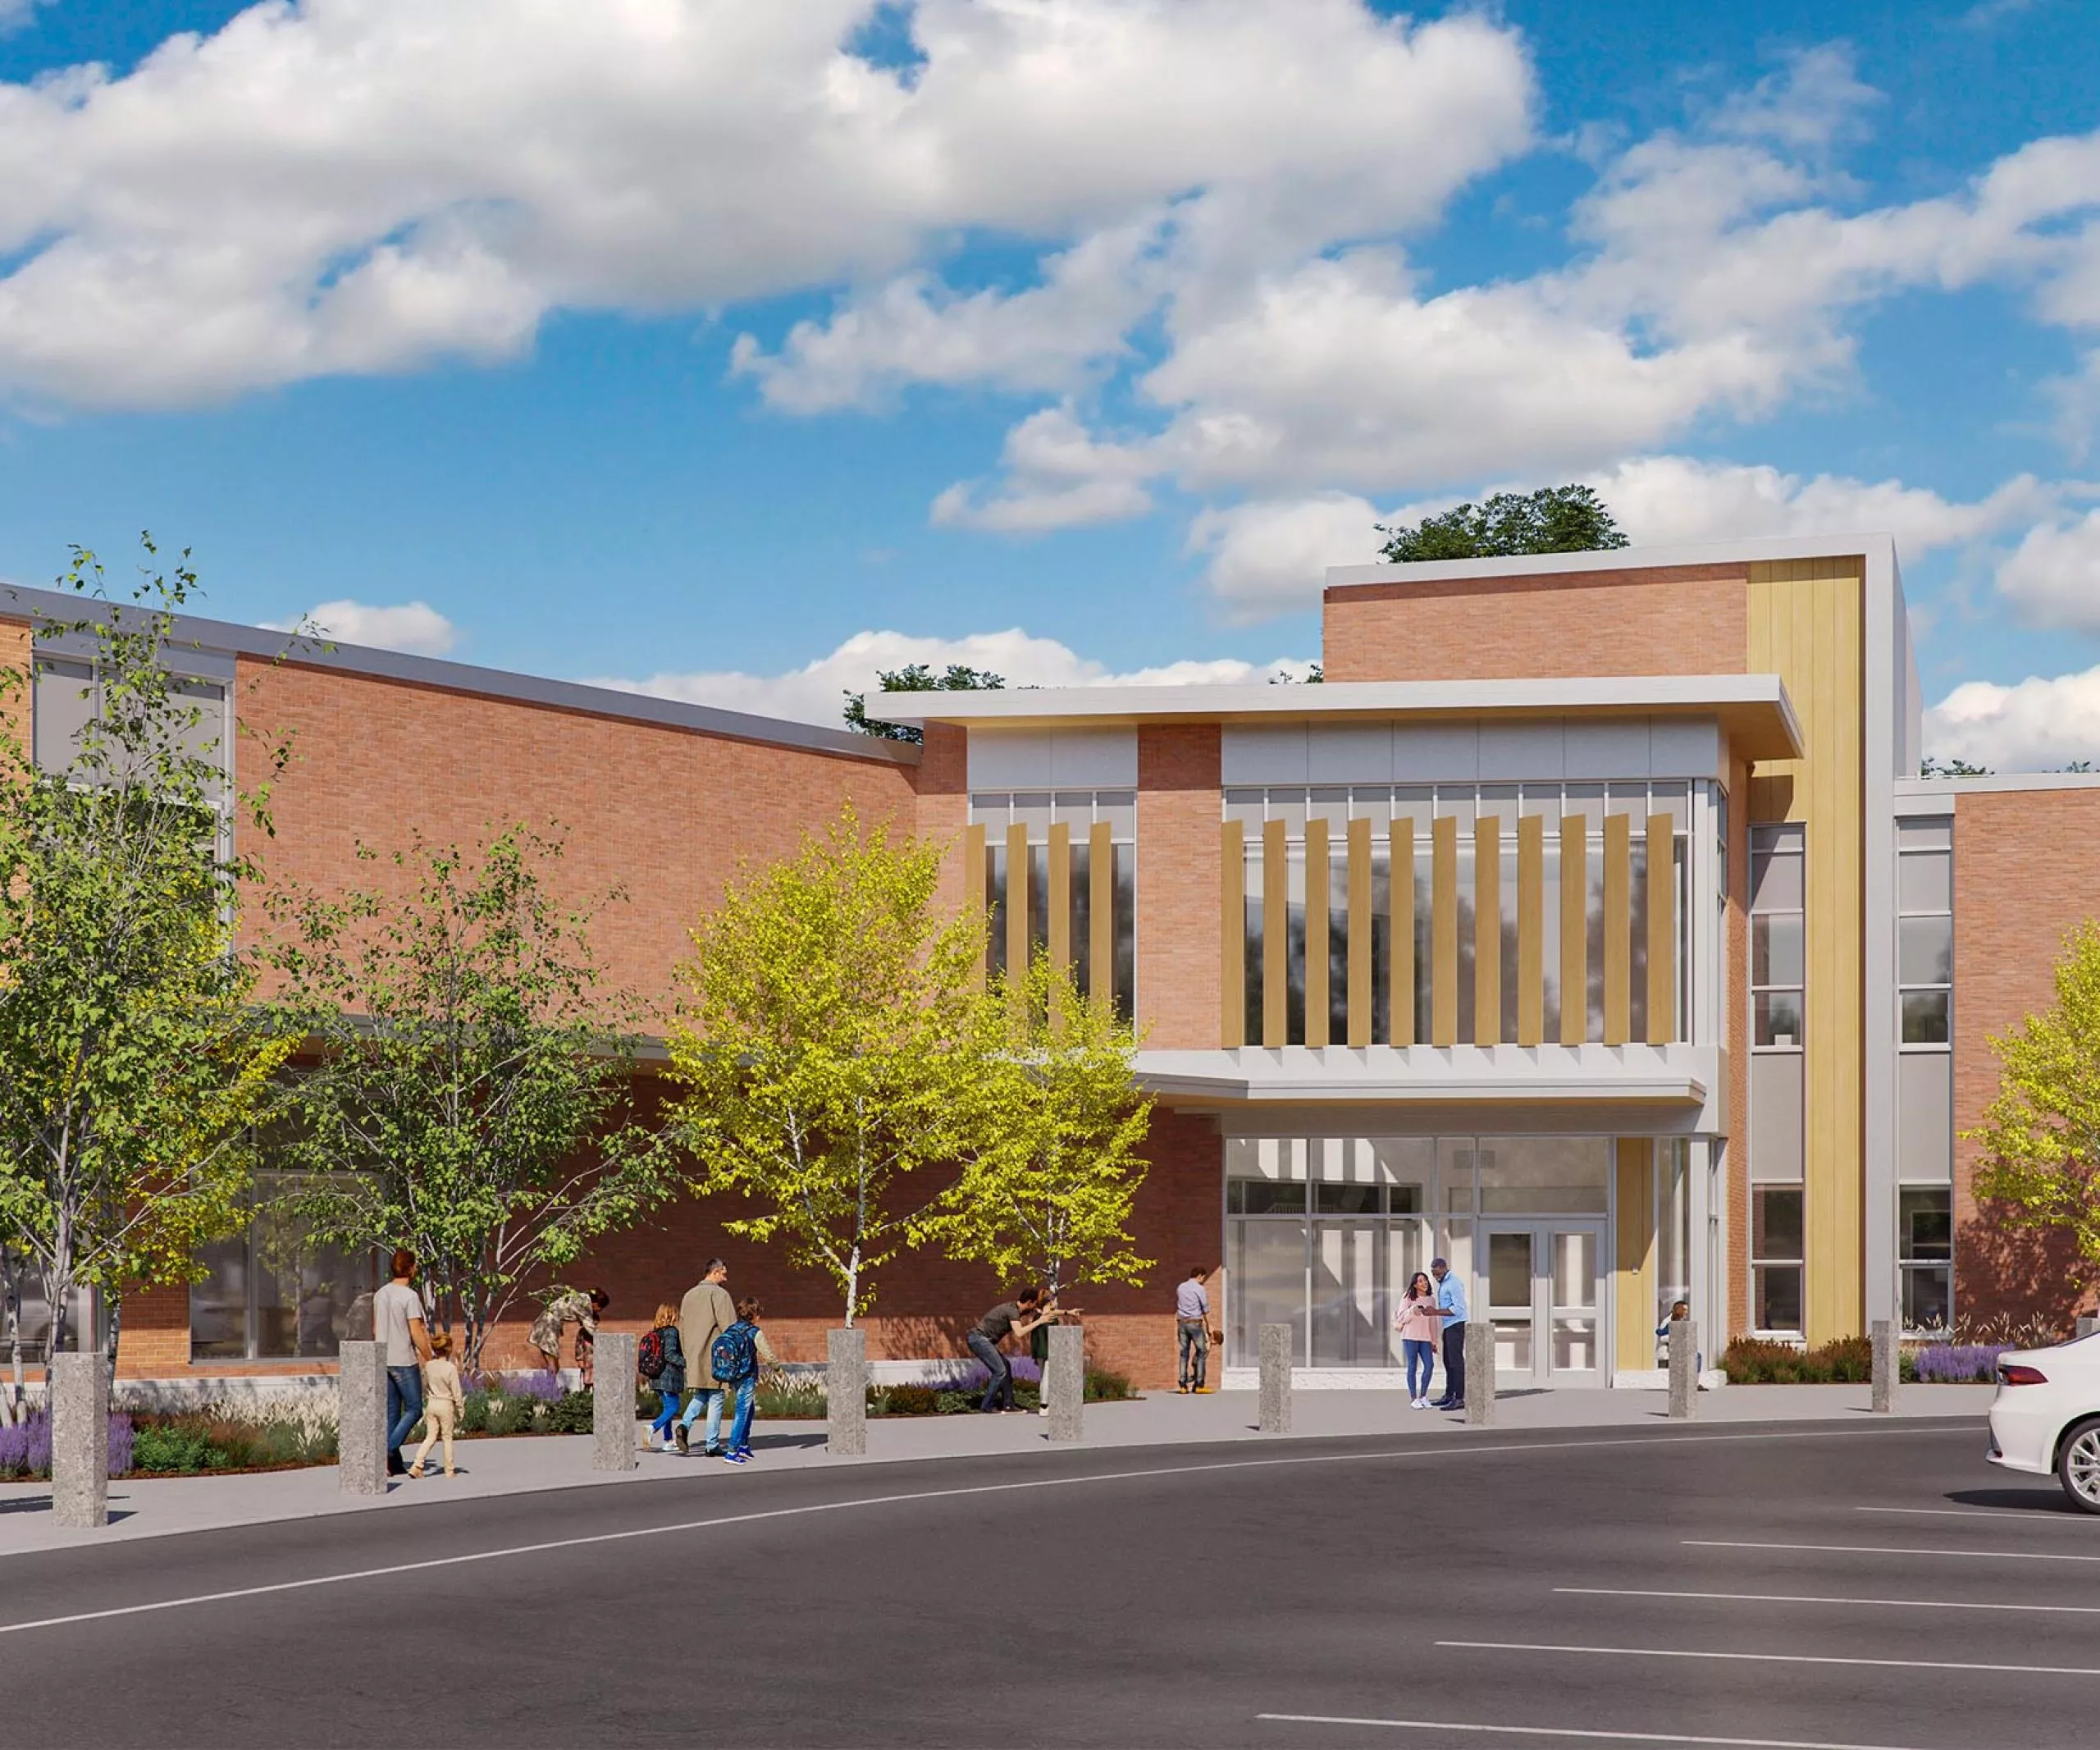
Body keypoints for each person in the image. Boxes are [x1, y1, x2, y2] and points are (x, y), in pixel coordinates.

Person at [372, 1248, 431, 1478]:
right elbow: (415, 1332)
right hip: (403, 1360)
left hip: (382, 1357)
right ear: (410, 1268)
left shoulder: (380, 1294)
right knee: (415, 1409)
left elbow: (376, 1329)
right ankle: (386, 1450)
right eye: (415, 1265)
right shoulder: (409, 1296)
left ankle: (393, 1466)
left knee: (392, 1412)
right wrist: (430, 1357)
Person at [676, 1258, 736, 1456]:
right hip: (716, 1355)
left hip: (694, 1354)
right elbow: (729, 1326)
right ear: (716, 1272)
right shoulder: (719, 1295)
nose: (726, 1279)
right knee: (717, 1396)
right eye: (724, 1274)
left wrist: (687, 1353)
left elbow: (681, 1329)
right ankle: (711, 1444)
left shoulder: (688, 1295)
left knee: (701, 1394)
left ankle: (684, 1425)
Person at [967, 1287, 1055, 1413]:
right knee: (1000, 1371)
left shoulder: (1018, 1308)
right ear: (1029, 1302)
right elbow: (1019, 1333)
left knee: (1005, 1366)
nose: (1035, 1308)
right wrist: (1040, 1321)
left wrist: (1068, 1313)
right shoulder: (1012, 1311)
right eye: (1035, 1304)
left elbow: (1046, 1312)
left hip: (982, 1340)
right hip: (978, 1339)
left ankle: (1008, 1405)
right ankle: (986, 1406)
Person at [718, 1297, 779, 1465]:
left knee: (748, 1408)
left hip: (733, 1375)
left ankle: (743, 1445)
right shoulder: (755, 1332)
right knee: (742, 1412)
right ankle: (732, 1451)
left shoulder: (730, 1329)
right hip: (747, 1377)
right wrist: (778, 1368)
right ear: (754, 1315)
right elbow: (768, 1354)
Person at [409, 1330, 465, 1479]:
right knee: (447, 1438)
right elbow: (456, 1391)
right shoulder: (450, 1368)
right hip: (446, 1404)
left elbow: (425, 1384)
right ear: (448, 1349)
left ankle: (417, 1465)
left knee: (430, 1437)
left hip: (432, 1403)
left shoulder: (429, 1366)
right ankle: (449, 1470)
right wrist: (460, 1407)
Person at [529, 1286, 607, 1383]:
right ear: (596, 1304)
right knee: (553, 1364)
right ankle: (550, 1392)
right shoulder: (584, 1304)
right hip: (547, 1327)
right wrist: (607, 1340)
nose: (598, 1311)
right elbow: (590, 1327)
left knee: (554, 1364)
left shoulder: (580, 1298)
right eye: (600, 1309)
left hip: (547, 1325)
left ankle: (551, 1390)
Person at [641, 1301, 687, 1454]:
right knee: (674, 1407)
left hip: (656, 1375)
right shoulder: (671, 1332)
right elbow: (670, 1354)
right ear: (672, 1315)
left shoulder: (656, 1331)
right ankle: (653, 1428)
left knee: (668, 1408)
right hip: (668, 1377)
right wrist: (686, 1363)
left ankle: (668, 1441)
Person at [1394, 1270, 1443, 1409]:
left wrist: (1434, 1341)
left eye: (1425, 1280)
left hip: (1426, 1338)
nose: (1424, 1283)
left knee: (1429, 1365)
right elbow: (1401, 1317)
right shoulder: (1408, 1297)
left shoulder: (1431, 1300)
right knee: (1412, 1367)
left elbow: (1433, 1322)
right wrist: (1412, 1311)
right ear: (1415, 1285)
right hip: (1410, 1337)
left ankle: (1423, 1396)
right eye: (1420, 1281)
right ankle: (1414, 1398)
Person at [1428, 1255, 1469, 1412]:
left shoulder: (1453, 1283)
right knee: (1448, 1361)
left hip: (1456, 1325)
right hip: (1448, 1326)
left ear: (1444, 1268)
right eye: (1434, 1274)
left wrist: (1435, 1312)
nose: (1436, 1277)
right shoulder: (1444, 1282)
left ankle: (1459, 1398)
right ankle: (1449, 1394)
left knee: (1456, 1362)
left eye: (1438, 1273)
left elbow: (1459, 1308)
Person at [1175, 1266, 1212, 1394]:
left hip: (1182, 1323)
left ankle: (1183, 1385)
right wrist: (1209, 1325)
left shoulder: (1180, 1287)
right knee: (1201, 1352)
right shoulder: (1200, 1289)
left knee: (1184, 1353)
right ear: (1200, 1276)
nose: (1203, 1280)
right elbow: (1205, 1309)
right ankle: (1199, 1385)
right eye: (1203, 1278)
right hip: (1195, 1323)